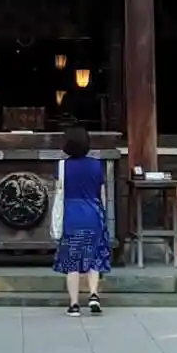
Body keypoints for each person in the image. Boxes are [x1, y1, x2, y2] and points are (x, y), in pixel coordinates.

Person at [53, 124, 111, 315]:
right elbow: (102, 194)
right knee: (94, 257)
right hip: (93, 213)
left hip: (71, 215)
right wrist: (102, 214)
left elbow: (59, 192)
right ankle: (94, 295)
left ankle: (74, 304)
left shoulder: (62, 166)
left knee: (72, 260)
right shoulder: (96, 165)